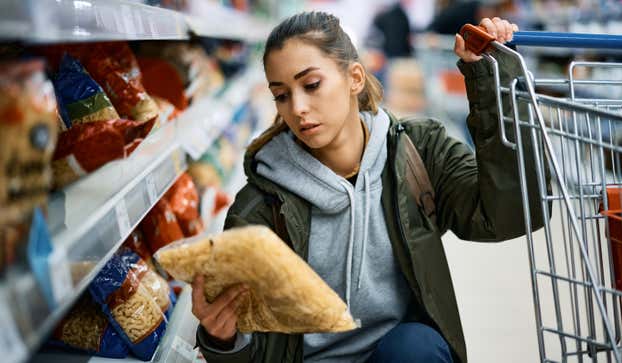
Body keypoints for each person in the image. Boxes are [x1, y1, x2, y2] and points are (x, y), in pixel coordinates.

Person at [191, 11, 544, 363]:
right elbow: (250, 351)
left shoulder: (416, 153)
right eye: (281, 95)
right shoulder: (259, 209)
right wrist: (223, 341)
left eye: (311, 85)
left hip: (395, 357)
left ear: (354, 77)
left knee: (415, 348)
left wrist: (492, 79)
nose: (297, 108)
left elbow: (510, 214)